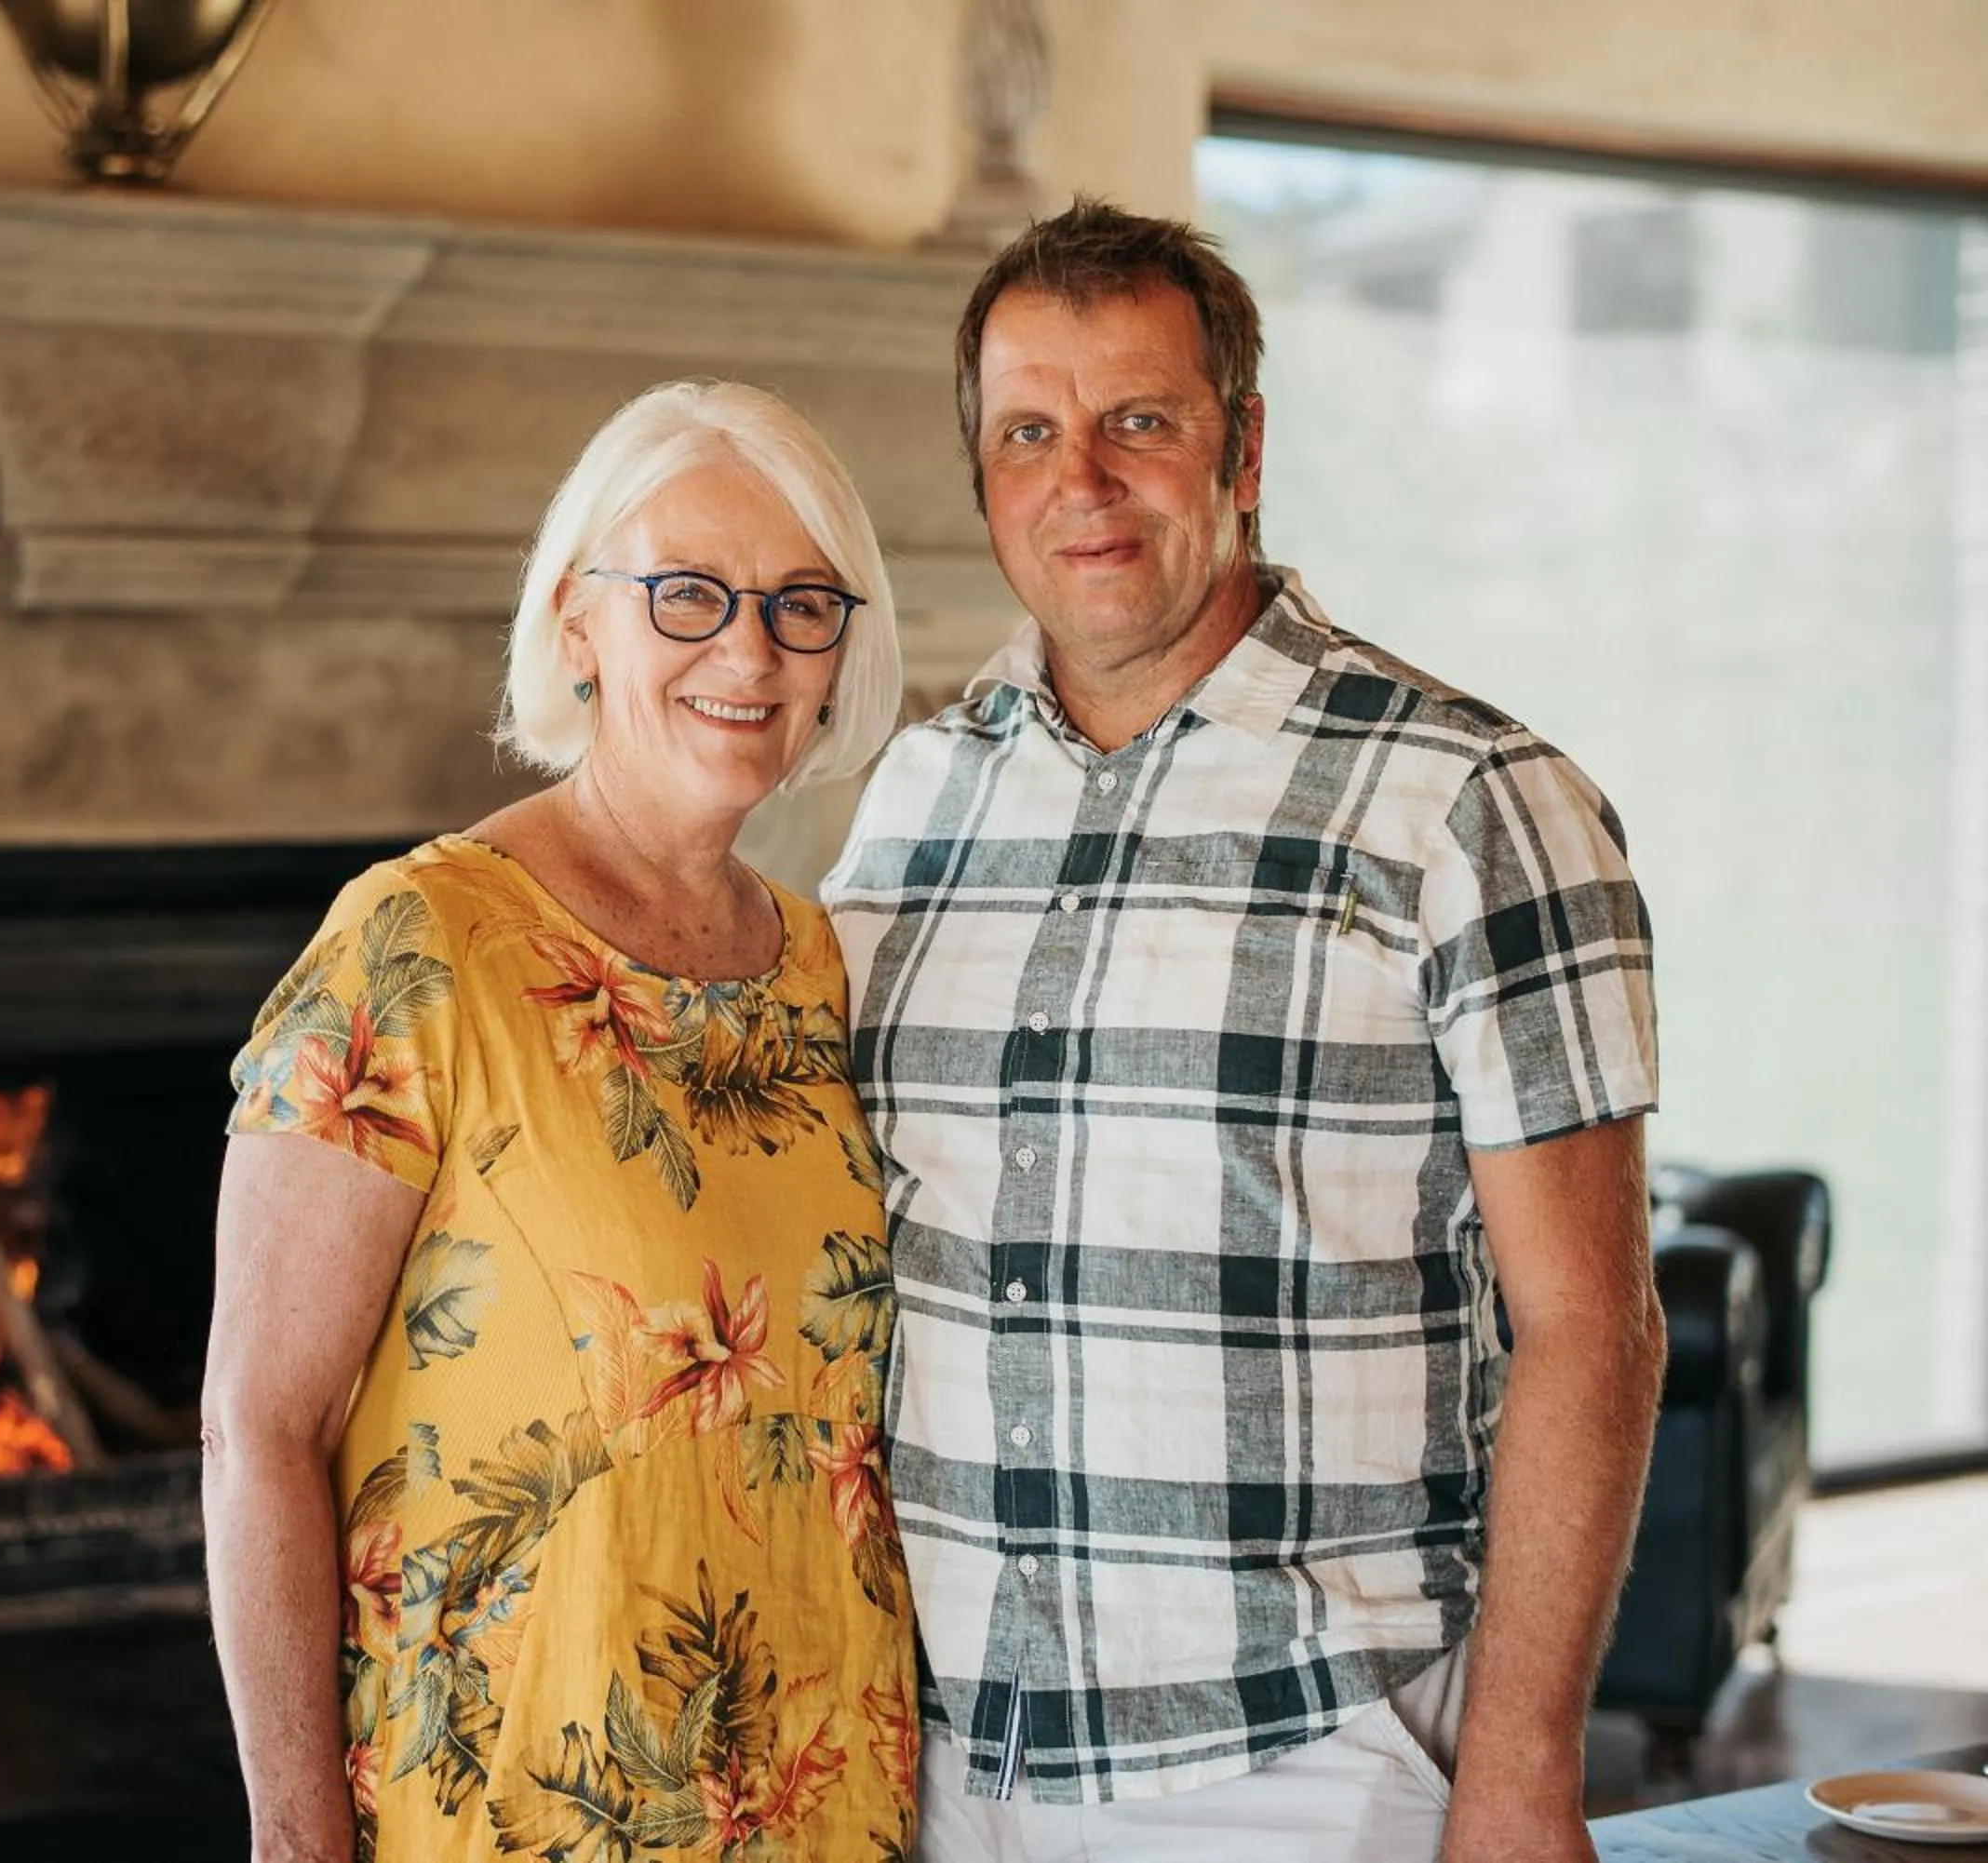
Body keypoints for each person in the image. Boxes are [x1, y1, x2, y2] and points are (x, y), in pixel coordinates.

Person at [824, 198, 1665, 1863]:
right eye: (1030, 431)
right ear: (983, 471)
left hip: (1305, 1756)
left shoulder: (1474, 802)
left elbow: (1596, 1326)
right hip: (938, 1753)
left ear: (1243, 445)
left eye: (1141, 419)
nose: (1085, 477)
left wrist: (1519, 1774)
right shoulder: (909, 799)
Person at [205, 380, 919, 1863]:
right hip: (519, 1805)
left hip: (827, 1801)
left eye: (802, 604)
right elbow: (256, 1425)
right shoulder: (417, 942)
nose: (749, 650)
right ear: (576, 619)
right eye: (687, 595)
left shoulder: (824, 965)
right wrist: (292, 1836)